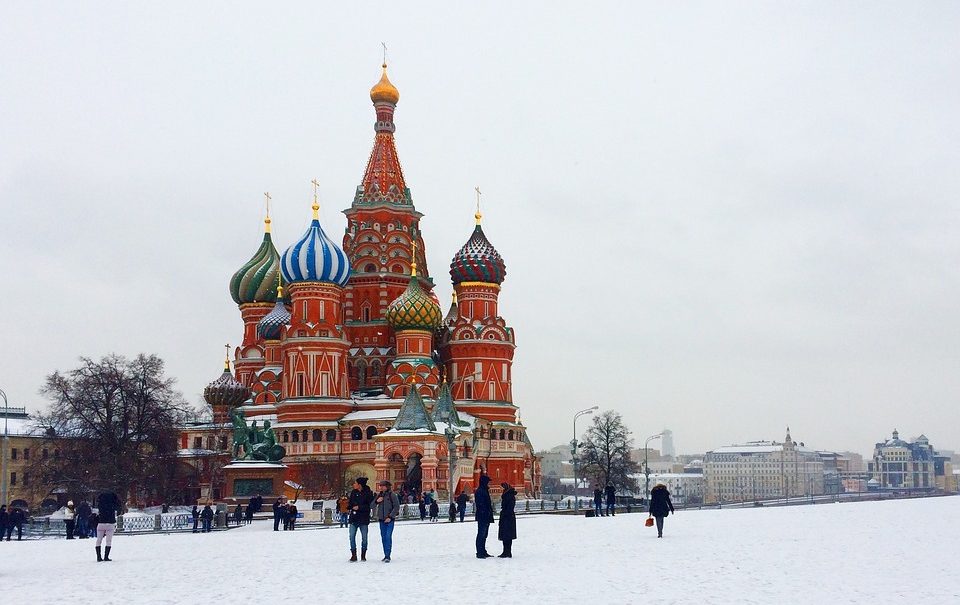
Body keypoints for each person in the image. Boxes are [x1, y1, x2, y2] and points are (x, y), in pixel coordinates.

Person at [347, 477, 374, 562]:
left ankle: (363, 555)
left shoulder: (368, 493)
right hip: (354, 518)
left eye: (355, 483)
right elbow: (350, 503)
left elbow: (369, 506)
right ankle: (353, 555)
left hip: (363, 519)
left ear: (360, 485)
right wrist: (349, 507)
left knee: (364, 538)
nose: (353, 485)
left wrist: (359, 507)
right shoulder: (353, 493)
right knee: (351, 536)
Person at [374, 480, 400, 562]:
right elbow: (372, 505)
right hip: (381, 520)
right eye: (380, 486)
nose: (381, 487)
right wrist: (377, 501)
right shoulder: (379, 495)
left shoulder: (392, 495)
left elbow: (396, 507)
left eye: (383, 486)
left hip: (389, 520)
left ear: (387, 486)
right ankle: (385, 554)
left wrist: (390, 516)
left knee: (388, 537)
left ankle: (388, 555)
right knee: (383, 537)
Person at [95, 490, 122, 561]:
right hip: (110, 523)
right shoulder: (113, 504)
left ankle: (98, 557)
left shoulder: (100, 504)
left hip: (101, 523)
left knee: (99, 540)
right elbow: (118, 507)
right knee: (108, 541)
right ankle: (106, 557)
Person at [474, 470, 494, 558]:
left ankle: (483, 551)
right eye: (487, 482)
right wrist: (485, 512)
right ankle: (479, 552)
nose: (488, 483)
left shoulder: (484, 490)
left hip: (485, 515)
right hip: (483, 516)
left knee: (484, 534)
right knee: (481, 534)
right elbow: (481, 504)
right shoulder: (480, 491)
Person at [498, 482, 517, 558]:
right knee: (506, 535)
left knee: (506, 535)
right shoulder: (508, 495)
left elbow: (509, 507)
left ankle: (507, 552)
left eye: (502, 487)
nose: (501, 489)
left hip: (507, 517)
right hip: (508, 517)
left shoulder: (508, 495)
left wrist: (505, 513)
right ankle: (506, 551)